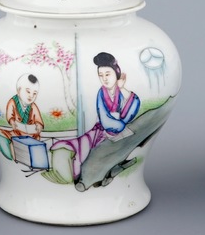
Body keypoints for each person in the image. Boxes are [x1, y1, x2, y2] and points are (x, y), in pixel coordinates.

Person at [46, 52, 140, 184]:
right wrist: (119, 125)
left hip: (118, 130)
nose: (104, 79)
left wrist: (122, 88)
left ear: (116, 73)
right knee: (84, 146)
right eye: (101, 76)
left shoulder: (121, 92)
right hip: (101, 130)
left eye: (108, 74)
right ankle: (75, 173)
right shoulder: (102, 93)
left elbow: (133, 106)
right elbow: (104, 118)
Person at [0, 73, 44, 140]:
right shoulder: (13, 102)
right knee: (0, 132)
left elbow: (38, 119)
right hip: (16, 133)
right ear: (18, 90)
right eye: (28, 92)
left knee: (36, 140)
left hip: (31, 135)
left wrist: (39, 125)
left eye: (34, 93)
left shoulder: (33, 106)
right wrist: (12, 122)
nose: (31, 96)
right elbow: (10, 115)